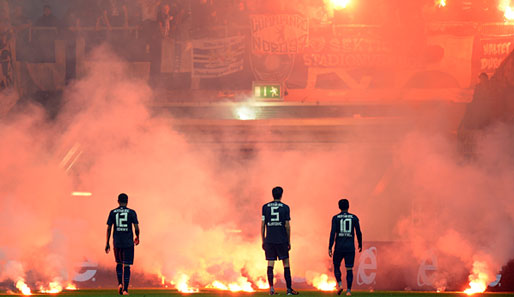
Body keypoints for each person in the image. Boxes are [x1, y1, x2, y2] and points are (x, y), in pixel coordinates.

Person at [261, 186, 299, 295]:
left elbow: (263, 225)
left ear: (272, 194)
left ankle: (271, 289)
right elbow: (287, 225)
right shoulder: (285, 207)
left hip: (270, 240)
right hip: (282, 239)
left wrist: (263, 240)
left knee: (270, 264)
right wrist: (288, 240)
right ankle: (288, 290)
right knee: (286, 264)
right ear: (281, 194)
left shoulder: (265, 207)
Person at [106, 193, 140, 295]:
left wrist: (107, 242)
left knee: (119, 263)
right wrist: (137, 237)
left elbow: (109, 228)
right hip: (128, 242)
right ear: (127, 201)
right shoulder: (132, 212)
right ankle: (125, 289)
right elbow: (136, 227)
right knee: (127, 265)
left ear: (118, 201)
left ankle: (119, 283)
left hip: (117, 242)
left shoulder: (112, 212)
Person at [329, 199, 362, 296]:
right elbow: (358, 232)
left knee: (336, 265)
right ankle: (348, 291)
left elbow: (332, 233)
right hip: (350, 248)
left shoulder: (335, 218)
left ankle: (339, 285)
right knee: (349, 269)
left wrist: (330, 246)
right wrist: (360, 243)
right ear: (348, 206)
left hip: (339, 247)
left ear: (339, 207)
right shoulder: (354, 217)